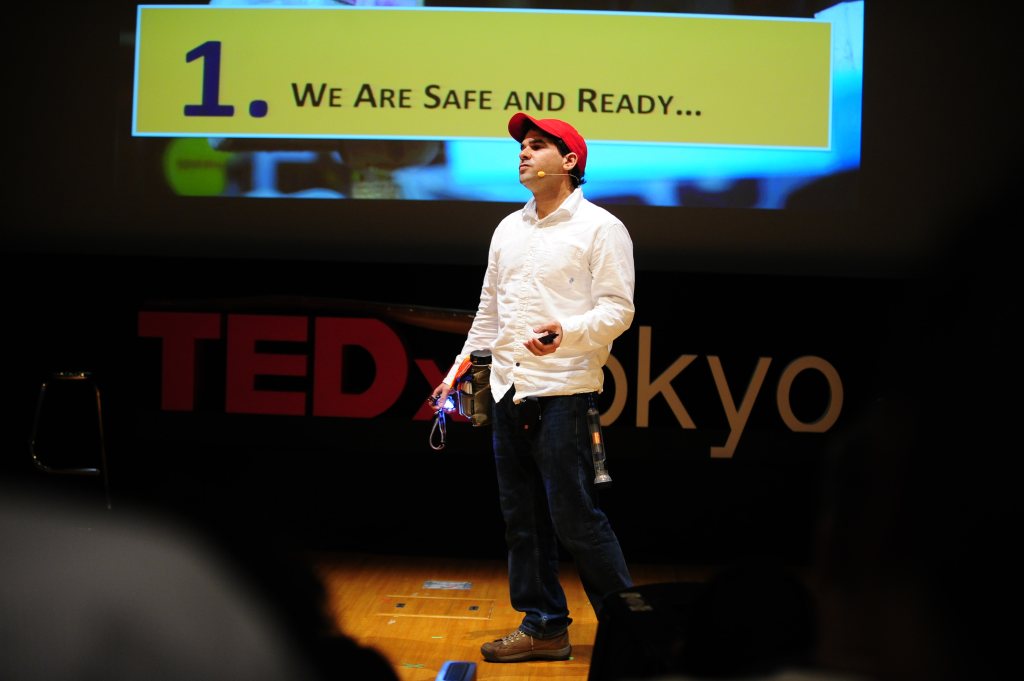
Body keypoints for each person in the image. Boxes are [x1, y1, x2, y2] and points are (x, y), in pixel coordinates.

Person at [431, 112, 636, 663]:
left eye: (538, 145)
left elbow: (618, 310)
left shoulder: (601, 227)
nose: (524, 153)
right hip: (506, 387)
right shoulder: (508, 228)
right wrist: (459, 369)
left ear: (569, 162)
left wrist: (565, 333)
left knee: (576, 518)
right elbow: (489, 310)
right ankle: (544, 626)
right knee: (522, 519)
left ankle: (631, 628)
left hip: (564, 389)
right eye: (523, 145)